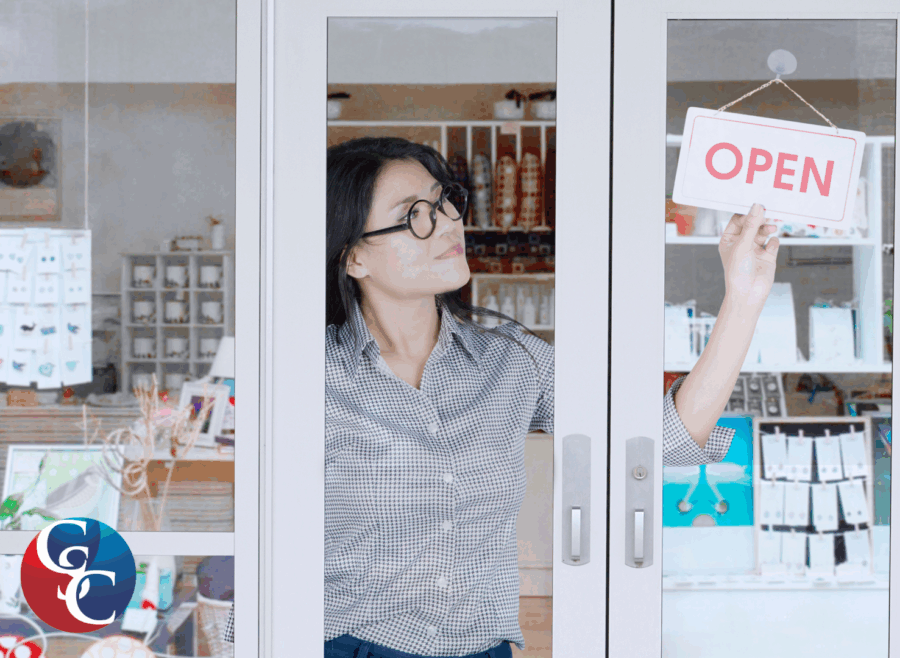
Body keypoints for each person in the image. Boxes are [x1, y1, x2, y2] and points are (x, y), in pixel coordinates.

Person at [321, 137, 779, 658]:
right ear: (355, 257)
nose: (449, 222)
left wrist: (744, 296)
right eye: (414, 215)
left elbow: (661, 442)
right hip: (346, 645)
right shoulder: (311, 378)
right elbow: (274, 543)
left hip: (482, 649)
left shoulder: (510, 358)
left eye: (444, 200)